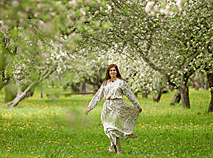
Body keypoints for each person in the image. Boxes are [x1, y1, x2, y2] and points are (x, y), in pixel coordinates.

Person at [85, 64, 142, 154]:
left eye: (114, 70)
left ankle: (118, 150)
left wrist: (137, 105)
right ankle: (115, 147)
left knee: (113, 128)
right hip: (107, 107)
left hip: (117, 106)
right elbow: (98, 96)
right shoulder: (105, 83)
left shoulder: (121, 82)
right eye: (111, 70)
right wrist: (90, 107)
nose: (112, 72)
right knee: (108, 128)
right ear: (108, 72)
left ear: (117, 71)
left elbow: (129, 94)